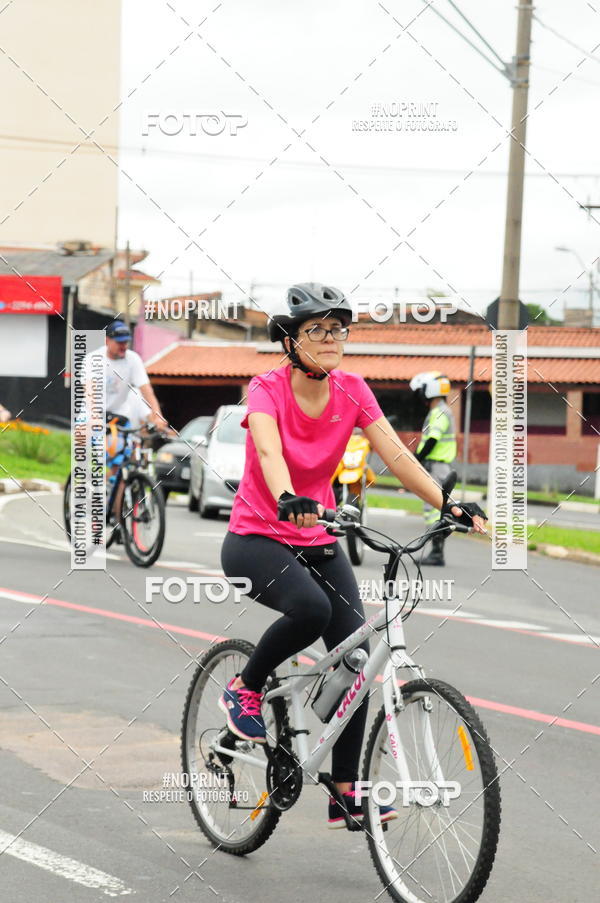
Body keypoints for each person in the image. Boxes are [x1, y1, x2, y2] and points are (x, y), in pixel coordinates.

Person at [218, 283, 486, 829]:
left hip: (318, 538)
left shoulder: (354, 389)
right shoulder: (267, 387)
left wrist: (448, 504)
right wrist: (287, 495)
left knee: (357, 659)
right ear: (290, 341)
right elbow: (268, 447)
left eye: (338, 329)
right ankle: (245, 687)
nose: (331, 338)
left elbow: (397, 456)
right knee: (311, 610)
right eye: (316, 329)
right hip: (255, 538)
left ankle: (345, 792)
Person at [410, 372, 458, 566]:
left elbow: (432, 440)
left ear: (429, 390)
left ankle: (437, 553)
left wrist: (416, 459)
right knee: (436, 508)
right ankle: (436, 551)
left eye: (421, 390)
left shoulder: (439, 412)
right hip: (438, 467)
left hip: (437, 467)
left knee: (434, 510)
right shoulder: (441, 411)